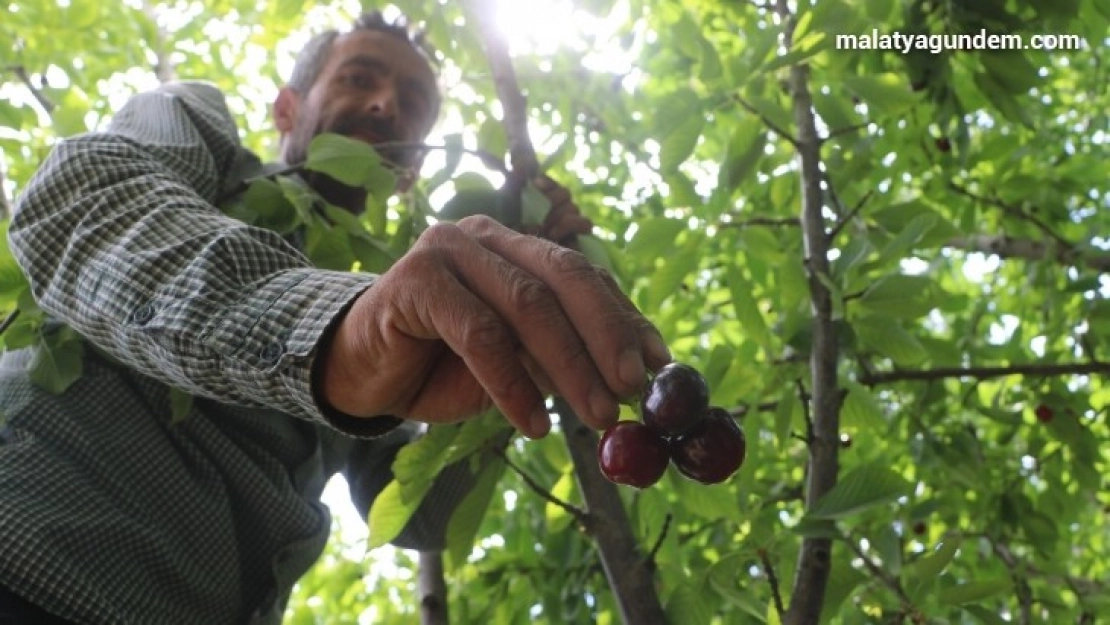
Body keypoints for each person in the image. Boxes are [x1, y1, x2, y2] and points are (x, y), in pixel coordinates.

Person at [0, 10, 671, 625]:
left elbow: (423, 513)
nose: (386, 106)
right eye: (359, 78)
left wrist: (504, 342)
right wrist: (333, 339)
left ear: (406, 176)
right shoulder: (204, 132)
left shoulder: (389, 308)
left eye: (412, 103)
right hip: (29, 557)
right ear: (287, 109)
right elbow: (81, 198)